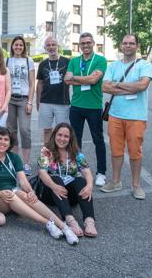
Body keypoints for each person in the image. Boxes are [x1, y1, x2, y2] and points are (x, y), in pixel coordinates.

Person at [0, 127, 79, 245]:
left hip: (13, 193)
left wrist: (31, 191)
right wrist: (0, 193)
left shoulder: (14, 157)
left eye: (6, 140)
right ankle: (47, 223)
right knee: (12, 194)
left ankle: (63, 226)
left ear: (10, 143)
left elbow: (23, 181)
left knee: (25, 195)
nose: (2, 142)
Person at [101, 34, 152, 200]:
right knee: (116, 151)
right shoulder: (114, 65)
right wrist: (130, 88)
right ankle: (116, 181)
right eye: (125, 43)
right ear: (121, 46)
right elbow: (104, 87)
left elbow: (142, 85)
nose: (128, 46)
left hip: (136, 117)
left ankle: (136, 185)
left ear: (137, 46)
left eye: (131, 43)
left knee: (135, 152)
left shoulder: (144, 65)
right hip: (115, 115)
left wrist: (117, 84)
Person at [37, 122, 97, 238]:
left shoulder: (75, 152)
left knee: (81, 181)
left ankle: (89, 221)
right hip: (51, 193)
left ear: (70, 139)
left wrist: (90, 185)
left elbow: (86, 170)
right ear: (54, 135)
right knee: (56, 178)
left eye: (66, 136)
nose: (62, 139)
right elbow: (42, 173)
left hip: (69, 195)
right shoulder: (46, 151)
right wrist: (54, 186)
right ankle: (70, 220)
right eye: (59, 135)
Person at [64, 32, 108, 187]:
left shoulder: (100, 60)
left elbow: (94, 79)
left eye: (88, 42)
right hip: (76, 106)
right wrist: (87, 78)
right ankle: (76, 169)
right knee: (75, 141)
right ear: (79, 45)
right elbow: (66, 79)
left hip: (94, 107)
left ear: (93, 43)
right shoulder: (74, 60)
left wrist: (76, 78)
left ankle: (101, 173)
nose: (85, 45)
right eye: (82, 43)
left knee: (98, 140)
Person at [5, 36, 35, 173]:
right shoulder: (6, 61)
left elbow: (32, 83)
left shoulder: (29, 61)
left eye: (21, 45)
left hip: (23, 99)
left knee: (25, 130)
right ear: (12, 46)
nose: (18, 47)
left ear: (24, 47)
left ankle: (26, 163)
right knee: (11, 131)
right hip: (10, 99)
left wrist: (30, 101)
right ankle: (15, 162)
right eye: (16, 45)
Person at [36, 36, 70, 144]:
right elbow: (40, 83)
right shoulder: (43, 64)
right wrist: (38, 101)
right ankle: (46, 157)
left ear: (58, 46)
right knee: (47, 131)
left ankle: (61, 157)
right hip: (45, 102)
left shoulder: (67, 62)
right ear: (45, 48)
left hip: (62, 102)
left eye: (53, 44)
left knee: (63, 132)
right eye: (48, 45)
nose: (51, 47)